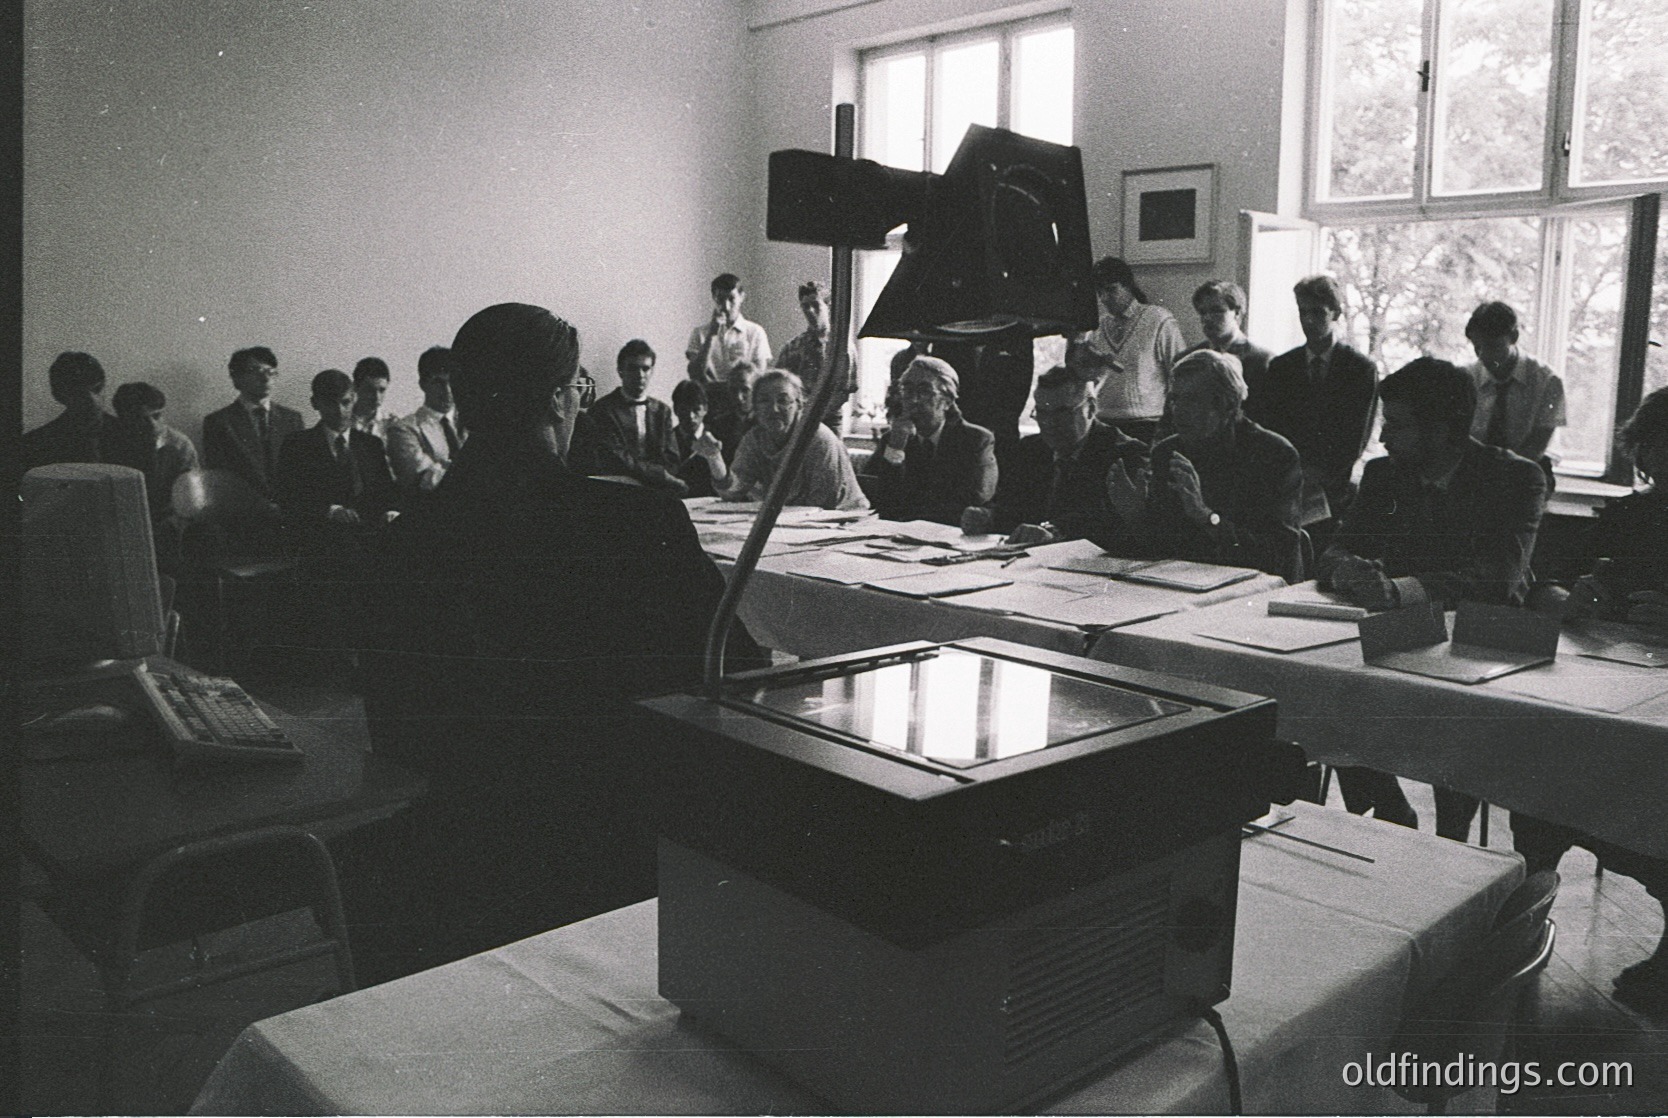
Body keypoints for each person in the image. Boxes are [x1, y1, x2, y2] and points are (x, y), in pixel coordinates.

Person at [351, 301, 760, 979]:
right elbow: (732, 670)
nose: (580, 402)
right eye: (579, 389)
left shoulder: (403, 541)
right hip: (615, 852)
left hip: (457, 848)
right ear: (555, 401)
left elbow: (393, 726)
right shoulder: (635, 521)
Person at [1316, 357, 1548, 833]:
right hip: (1399, 636)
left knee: (1451, 714)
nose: (1382, 438)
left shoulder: (1517, 478)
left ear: (1444, 430)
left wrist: (1399, 590)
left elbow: (1498, 579)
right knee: (1320, 686)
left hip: (1486, 644)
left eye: (1396, 425)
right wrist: (1347, 570)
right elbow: (1336, 548)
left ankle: (1452, 841)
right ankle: (1390, 806)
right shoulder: (1383, 475)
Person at [1516, 386, 1668, 1017]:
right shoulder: (1633, 514)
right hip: (1615, 675)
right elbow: (1549, 585)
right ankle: (1525, 908)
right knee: (1543, 770)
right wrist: (1570, 595)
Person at [1107, 349, 1304, 581]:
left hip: (1253, 590)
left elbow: (1276, 554)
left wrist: (1205, 516)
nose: (1177, 411)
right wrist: (1136, 517)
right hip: (1184, 585)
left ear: (1227, 406)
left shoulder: (1274, 455)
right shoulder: (1167, 452)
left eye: (1192, 400)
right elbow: (1160, 547)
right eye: (1174, 399)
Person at [1247, 275, 1379, 537]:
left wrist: (1322, 475)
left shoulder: (1360, 368)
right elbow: (1271, 424)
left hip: (1333, 486)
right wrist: (1292, 471)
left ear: (1336, 313)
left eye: (1317, 312)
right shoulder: (1282, 367)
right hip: (1287, 479)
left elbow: (1357, 434)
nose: (1308, 321)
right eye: (1302, 312)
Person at [962, 365, 1148, 547]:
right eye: (1042, 413)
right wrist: (987, 516)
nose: (1050, 424)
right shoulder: (1030, 449)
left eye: (1062, 413)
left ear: (1091, 409)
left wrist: (1055, 531)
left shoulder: (1125, 454)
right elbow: (1011, 506)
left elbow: (1109, 521)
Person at [699, 369, 868, 510]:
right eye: (764, 401)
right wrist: (715, 459)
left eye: (783, 400)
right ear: (755, 407)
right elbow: (734, 491)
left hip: (842, 522)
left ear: (800, 405)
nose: (773, 409)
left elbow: (822, 505)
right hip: (792, 522)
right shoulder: (755, 439)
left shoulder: (818, 439)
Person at [861, 355, 997, 525]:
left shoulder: (975, 440)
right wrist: (895, 449)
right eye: (908, 390)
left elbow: (974, 499)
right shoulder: (893, 439)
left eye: (925, 391)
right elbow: (874, 499)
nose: (914, 400)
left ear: (947, 401)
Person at [275, 369, 398, 553]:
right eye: (330, 404)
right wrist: (330, 510)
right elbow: (289, 497)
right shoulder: (297, 444)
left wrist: (390, 512)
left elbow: (386, 491)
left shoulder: (371, 444)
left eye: (345, 402)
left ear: (354, 398)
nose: (340, 411)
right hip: (321, 537)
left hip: (369, 533)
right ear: (315, 403)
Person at [1068, 256, 1184, 445]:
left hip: (1147, 422)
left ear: (1128, 286)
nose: (1104, 298)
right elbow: (1086, 378)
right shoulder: (1097, 327)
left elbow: (1178, 373)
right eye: (1099, 292)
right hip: (1103, 421)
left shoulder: (1158, 319)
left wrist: (1171, 423)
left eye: (1111, 290)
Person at [103, 382, 201, 564]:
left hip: (171, 525)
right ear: (124, 419)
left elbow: (190, 497)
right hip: (127, 525)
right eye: (141, 419)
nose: (152, 425)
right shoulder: (112, 445)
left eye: (157, 416)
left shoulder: (180, 445)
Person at [1463, 301, 1565, 469]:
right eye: (1477, 348)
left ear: (1514, 336)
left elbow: (1537, 446)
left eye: (1493, 347)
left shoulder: (1548, 381)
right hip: (1475, 467)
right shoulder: (1466, 378)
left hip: (1531, 467)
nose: (1484, 356)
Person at [202, 346, 305, 504]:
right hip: (243, 514)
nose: (265, 378)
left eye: (270, 372)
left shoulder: (292, 419)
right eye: (255, 371)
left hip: (290, 510)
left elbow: (301, 471)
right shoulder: (218, 423)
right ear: (237, 379)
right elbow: (221, 478)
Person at [588, 339, 686, 493]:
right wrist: (659, 475)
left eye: (645, 369)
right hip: (619, 489)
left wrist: (660, 480)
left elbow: (672, 460)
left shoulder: (663, 411)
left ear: (652, 371)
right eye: (633, 368)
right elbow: (616, 459)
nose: (640, 375)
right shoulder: (602, 410)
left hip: (659, 490)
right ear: (620, 370)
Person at [685, 273, 771, 429]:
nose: (726, 306)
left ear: (741, 297)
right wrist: (712, 334)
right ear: (714, 298)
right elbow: (695, 375)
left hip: (744, 408)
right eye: (720, 299)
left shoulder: (755, 332)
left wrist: (716, 385)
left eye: (731, 299)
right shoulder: (700, 333)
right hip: (712, 408)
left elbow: (759, 377)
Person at [22, 351, 122, 470]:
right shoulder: (33, 444)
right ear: (58, 395)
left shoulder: (132, 436)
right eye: (79, 393)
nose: (91, 400)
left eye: (96, 389)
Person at [387, 346, 466, 494]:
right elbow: (424, 478)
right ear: (423, 384)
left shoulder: (470, 423)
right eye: (438, 382)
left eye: (452, 382)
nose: (447, 390)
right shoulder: (404, 429)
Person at [775, 280, 851, 429]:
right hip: (800, 420)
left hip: (830, 420)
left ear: (828, 307)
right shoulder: (792, 348)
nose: (810, 311)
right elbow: (780, 386)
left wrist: (819, 413)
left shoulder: (842, 346)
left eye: (815, 305)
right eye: (805, 306)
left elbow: (845, 389)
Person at [1180, 281, 1271, 385]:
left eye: (1217, 311)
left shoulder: (1261, 361)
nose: (1207, 318)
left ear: (1236, 312)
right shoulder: (1186, 360)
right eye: (1202, 312)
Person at [671, 379, 717, 498]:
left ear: (705, 409)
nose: (690, 416)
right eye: (684, 410)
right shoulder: (666, 439)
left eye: (696, 410)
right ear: (675, 410)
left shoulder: (719, 436)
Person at [709, 359, 761, 463]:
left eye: (745, 390)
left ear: (757, 390)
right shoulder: (719, 425)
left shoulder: (766, 423)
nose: (738, 397)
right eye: (733, 390)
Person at [351, 356, 397, 442]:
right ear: (355, 387)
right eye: (369, 390)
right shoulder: (341, 421)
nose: (377, 397)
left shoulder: (393, 425)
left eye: (382, 390)